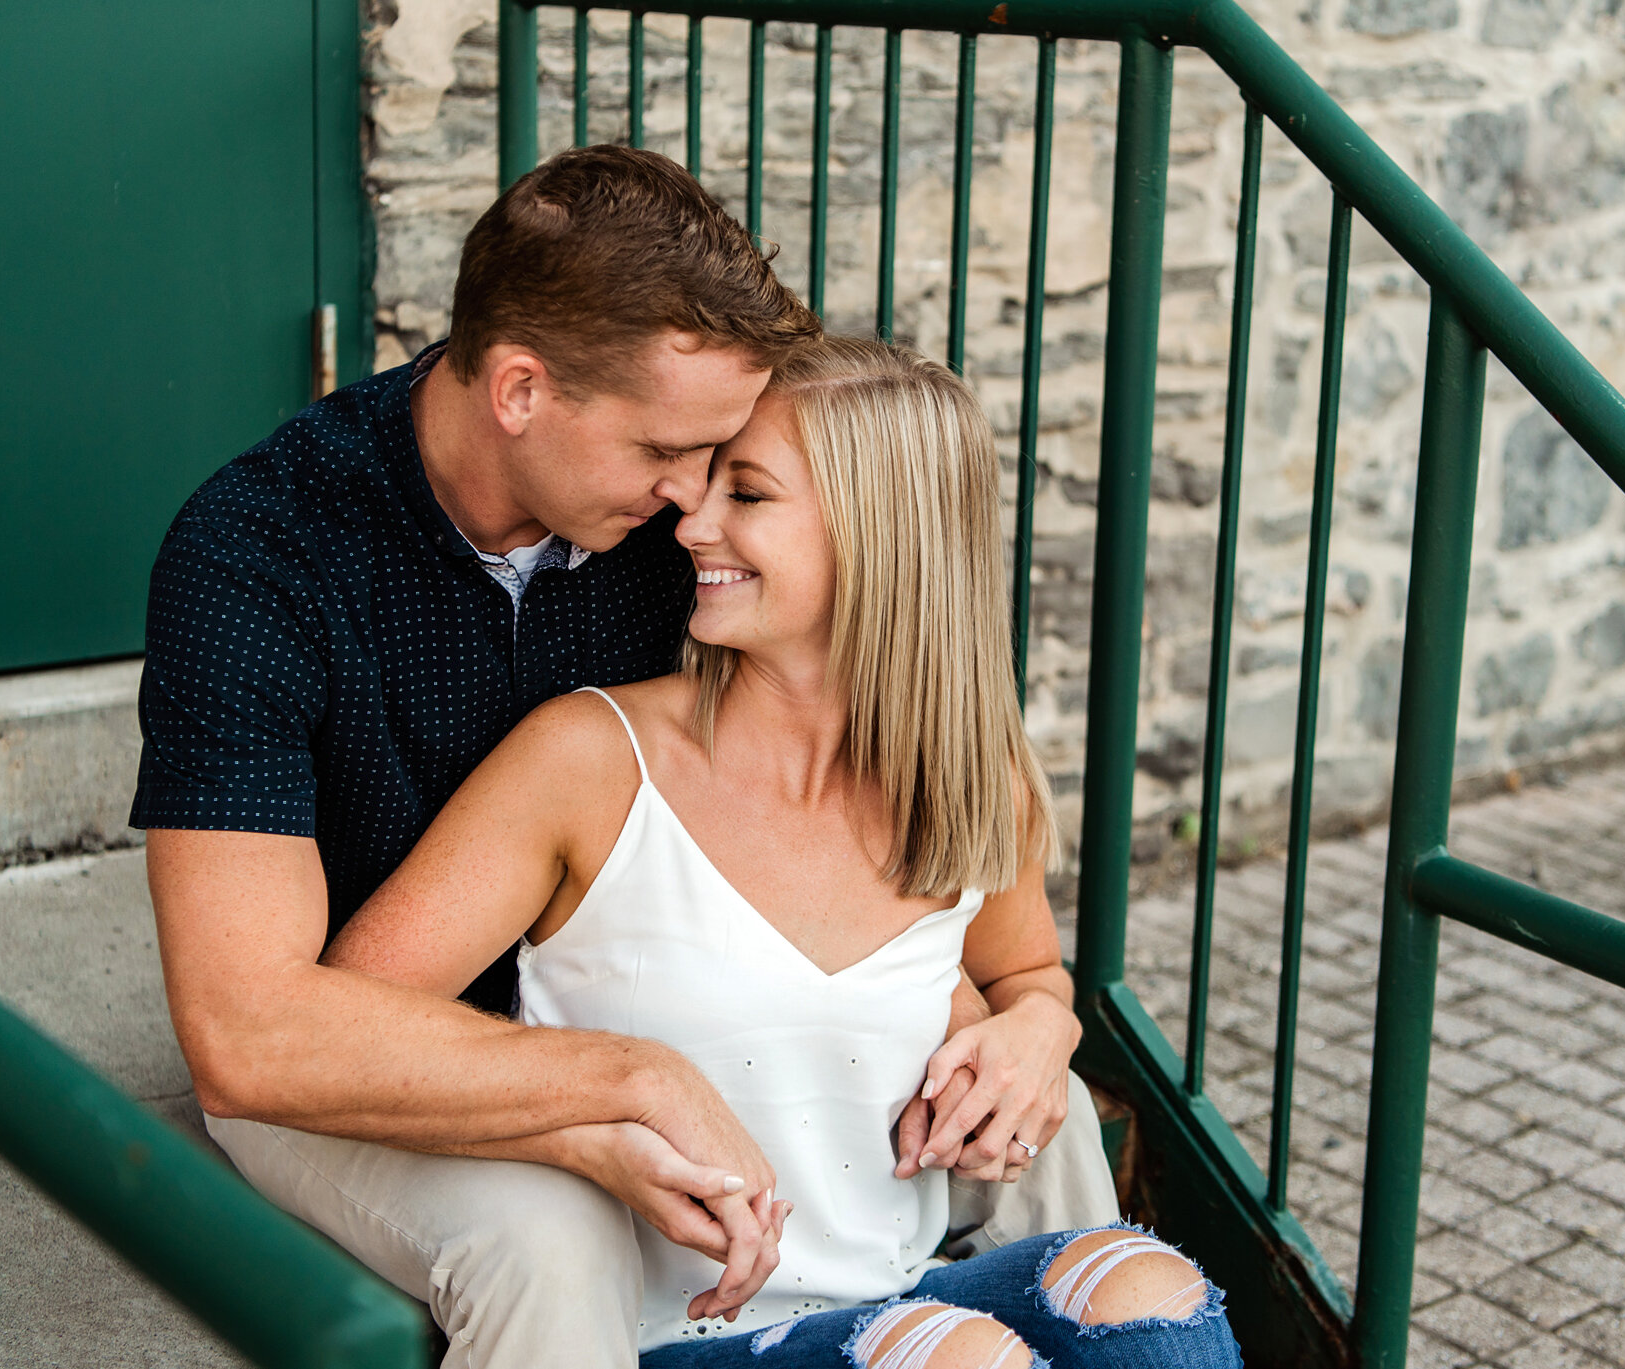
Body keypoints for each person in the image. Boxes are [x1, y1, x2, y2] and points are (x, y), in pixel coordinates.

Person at [132, 146, 1116, 1368]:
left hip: (627, 996)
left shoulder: (670, 529)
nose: (693, 496)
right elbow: (251, 1034)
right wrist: (610, 1088)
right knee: (551, 1235)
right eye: (668, 452)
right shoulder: (257, 559)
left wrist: (1022, 1019)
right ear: (521, 392)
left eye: (722, 462)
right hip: (349, 1054)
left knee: (1046, 1118)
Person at [324, 339, 1243, 1368]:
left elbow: (1023, 970)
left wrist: (1040, 1023)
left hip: (908, 1295)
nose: (692, 523)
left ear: (877, 539)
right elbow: (348, 1024)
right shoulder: (591, 759)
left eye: (746, 495)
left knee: (1150, 1292)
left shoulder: (968, 775)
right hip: (684, 1331)